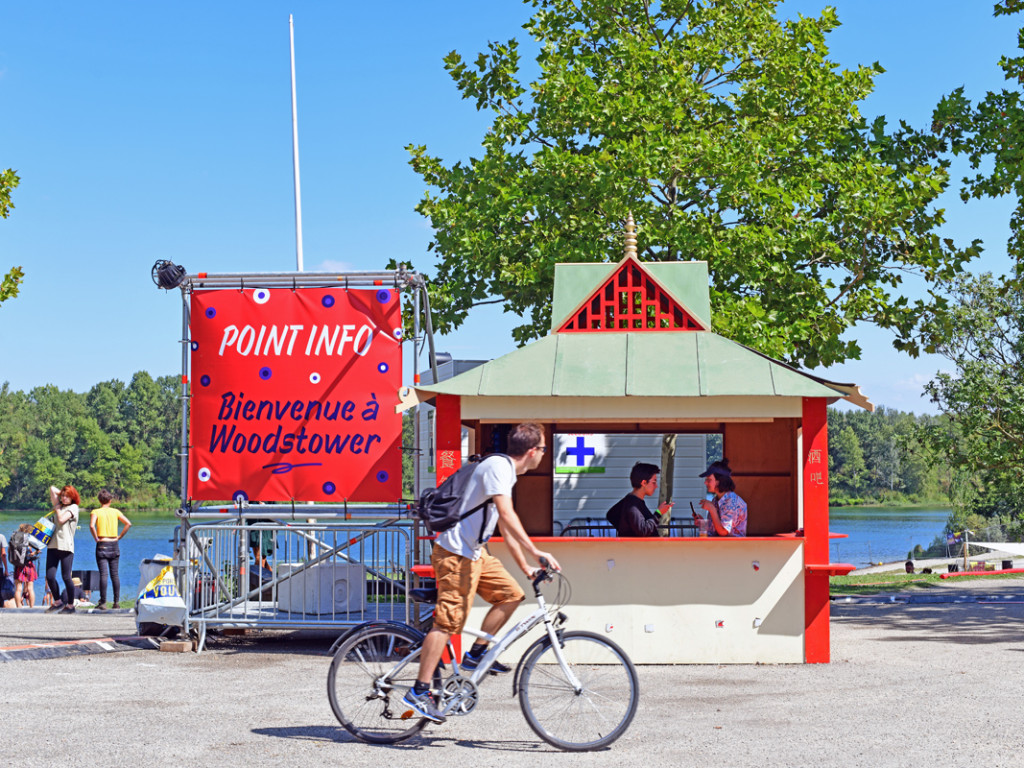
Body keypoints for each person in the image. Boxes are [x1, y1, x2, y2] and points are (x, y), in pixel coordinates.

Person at [402, 422, 562, 723]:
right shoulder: (497, 467)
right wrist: (537, 551)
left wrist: (525, 566)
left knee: (511, 595)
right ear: (532, 451)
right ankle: (419, 692)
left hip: (474, 553)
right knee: (448, 622)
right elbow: (507, 515)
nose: (543, 454)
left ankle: (476, 654)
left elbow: (503, 526)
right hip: (454, 554)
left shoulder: (505, 472)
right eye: (542, 448)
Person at [606, 462, 674, 537]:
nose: (656, 486)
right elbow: (643, 530)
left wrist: (627, 531)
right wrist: (658, 513)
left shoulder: (630, 501)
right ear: (644, 483)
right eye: (654, 482)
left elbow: (611, 515)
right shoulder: (632, 505)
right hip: (637, 548)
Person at [90, 489, 132, 610]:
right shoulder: (116, 512)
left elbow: (92, 525)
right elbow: (128, 523)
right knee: (115, 574)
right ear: (110, 500)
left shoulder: (95, 511)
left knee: (103, 574)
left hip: (102, 543)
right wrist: (120, 536)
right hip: (114, 544)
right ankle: (116, 602)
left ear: (99, 500)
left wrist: (96, 538)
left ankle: (103, 602)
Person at [46, 484, 80, 613]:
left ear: (73, 497)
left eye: (68, 496)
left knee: (66, 577)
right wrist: (62, 493)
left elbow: (61, 520)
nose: (65, 498)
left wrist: (57, 507)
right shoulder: (60, 506)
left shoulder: (73, 508)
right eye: (63, 496)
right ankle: (58, 601)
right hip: (53, 545)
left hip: (66, 546)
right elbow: (52, 488)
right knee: (50, 576)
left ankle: (70, 605)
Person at [696, 459, 747, 537]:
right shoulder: (716, 500)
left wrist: (712, 509)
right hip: (717, 547)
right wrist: (702, 523)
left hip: (732, 548)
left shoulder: (731, 501)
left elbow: (723, 532)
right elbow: (714, 530)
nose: (705, 482)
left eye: (708, 480)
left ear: (719, 481)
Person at [8, 524, 38, 607]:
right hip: (28, 565)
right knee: (30, 588)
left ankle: (19, 607)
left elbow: (9, 551)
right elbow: (31, 553)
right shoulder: (28, 539)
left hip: (18, 565)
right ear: (28, 530)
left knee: (18, 588)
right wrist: (36, 552)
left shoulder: (14, 538)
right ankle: (31, 607)